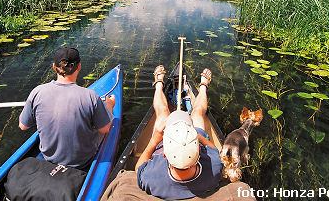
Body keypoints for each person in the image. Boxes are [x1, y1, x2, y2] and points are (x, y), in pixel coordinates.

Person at [19, 46, 115, 170]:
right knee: (104, 125)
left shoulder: (37, 92)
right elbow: (105, 129)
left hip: (48, 158)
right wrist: (109, 106)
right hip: (82, 161)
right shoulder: (90, 96)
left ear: (54, 67)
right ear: (79, 66)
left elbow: (23, 126)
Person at [136, 65, 222, 200]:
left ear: (164, 154)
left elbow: (138, 168)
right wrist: (197, 135)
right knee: (198, 112)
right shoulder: (215, 168)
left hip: (177, 140)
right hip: (194, 137)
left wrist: (154, 141)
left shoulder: (151, 177)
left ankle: (158, 84)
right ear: (198, 152)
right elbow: (213, 149)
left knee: (163, 113)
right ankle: (203, 86)